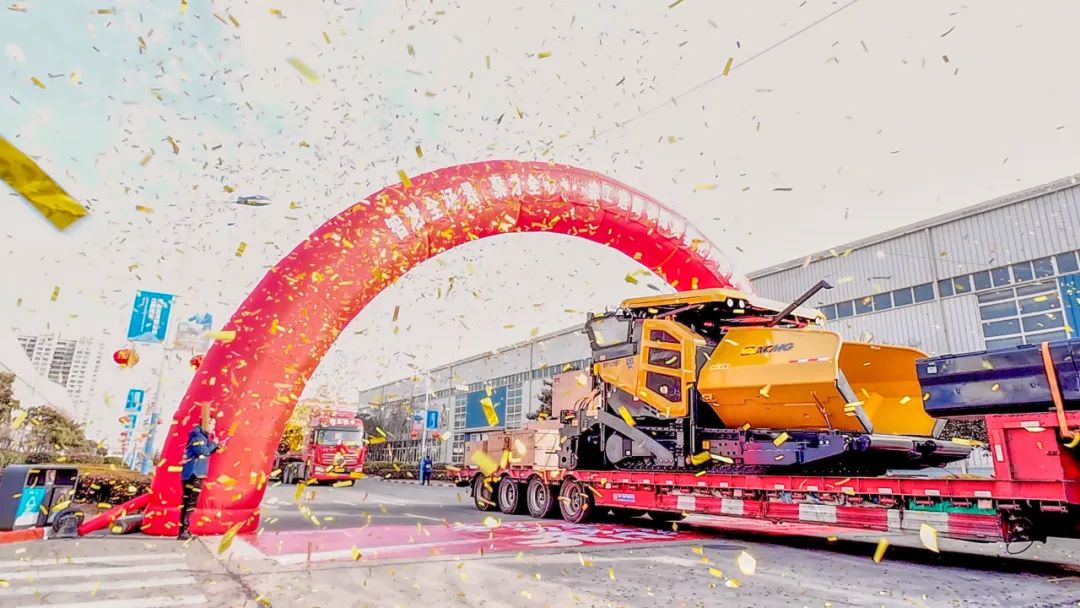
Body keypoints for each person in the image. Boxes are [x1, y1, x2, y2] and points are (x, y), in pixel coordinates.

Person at [178, 418, 222, 540]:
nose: (213, 427)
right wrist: (214, 443)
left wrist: (215, 447)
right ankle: (183, 531)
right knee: (190, 502)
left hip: (195, 473)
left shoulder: (202, 436)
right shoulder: (197, 435)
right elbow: (202, 451)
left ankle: (185, 530)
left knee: (189, 502)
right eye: (212, 424)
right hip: (194, 473)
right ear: (205, 423)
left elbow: (205, 453)